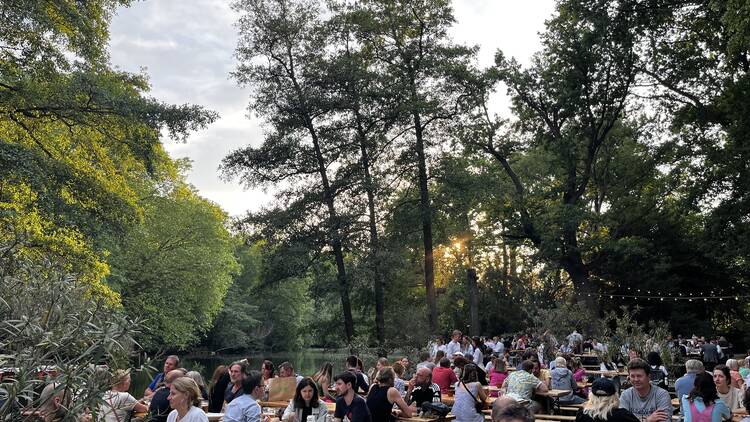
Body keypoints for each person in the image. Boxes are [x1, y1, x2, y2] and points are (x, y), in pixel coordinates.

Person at [618, 358, 672, 422]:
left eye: (639, 376)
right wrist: (648, 420)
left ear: (649, 377)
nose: (636, 379)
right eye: (632, 376)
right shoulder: (626, 395)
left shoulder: (662, 395)